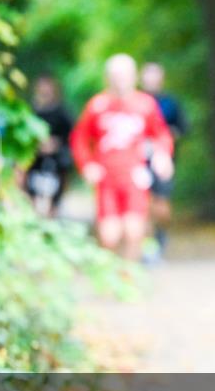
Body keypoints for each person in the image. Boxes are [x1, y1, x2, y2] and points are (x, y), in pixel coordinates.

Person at [70, 54, 174, 260]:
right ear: (107, 77)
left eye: (124, 75)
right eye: (115, 75)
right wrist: (87, 165)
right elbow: (79, 139)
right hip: (107, 179)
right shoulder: (97, 105)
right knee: (109, 235)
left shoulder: (145, 104)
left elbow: (161, 134)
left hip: (134, 177)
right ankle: (110, 276)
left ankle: (129, 278)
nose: (120, 80)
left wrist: (163, 155)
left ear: (133, 77)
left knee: (134, 231)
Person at [140, 62, 189, 255]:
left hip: (164, 161)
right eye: (147, 76)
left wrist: (166, 137)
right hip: (138, 163)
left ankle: (160, 236)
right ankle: (147, 247)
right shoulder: (136, 101)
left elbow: (183, 128)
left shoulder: (171, 102)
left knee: (161, 206)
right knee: (143, 205)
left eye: (154, 76)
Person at [24, 75, 74, 217]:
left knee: (53, 200)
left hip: (57, 163)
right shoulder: (29, 111)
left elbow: (71, 136)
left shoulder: (62, 113)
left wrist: (55, 144)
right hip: (34, 161)